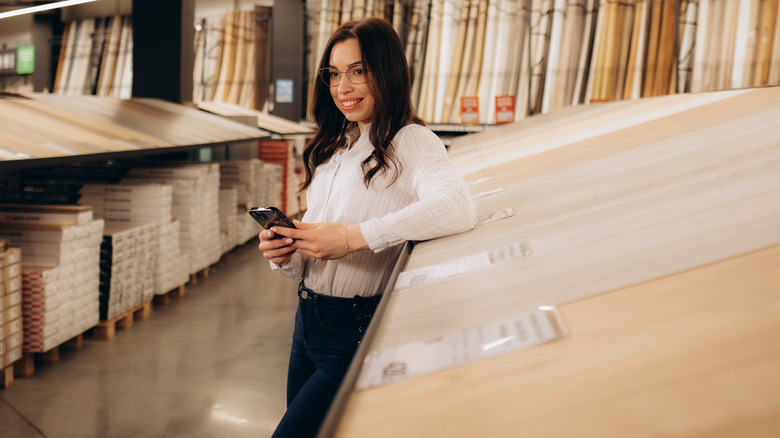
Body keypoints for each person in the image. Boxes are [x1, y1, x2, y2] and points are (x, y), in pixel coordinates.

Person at [258, 17, 476, 438]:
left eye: (358, 71)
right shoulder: (336, 148)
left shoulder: (411, 141)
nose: (343, 88)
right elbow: (313, 259)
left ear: (387, 70)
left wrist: (351, 238)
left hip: (353, 330)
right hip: (306, 324)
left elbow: (456, 207)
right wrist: (286, 252)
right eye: (334, 75)